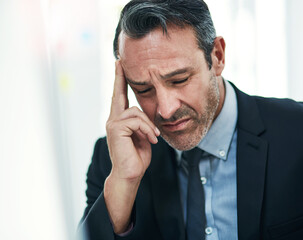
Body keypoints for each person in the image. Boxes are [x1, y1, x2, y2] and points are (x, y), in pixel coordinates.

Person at [79, 0, 303, 239]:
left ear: (217, 56)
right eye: (143, 90)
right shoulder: (112, 161)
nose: (165, 110)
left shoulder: (296, 132)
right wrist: (124, 182)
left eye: (179, 80)